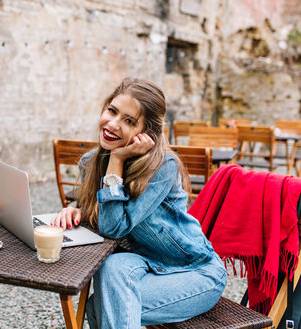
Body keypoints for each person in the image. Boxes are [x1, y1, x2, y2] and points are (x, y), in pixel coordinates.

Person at [51, 77, 227, 329]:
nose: (112, 124)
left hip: (195, 271)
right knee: (112, 267)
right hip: (145, 263)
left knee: (97, 307)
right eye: (112, 111)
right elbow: (107, 224)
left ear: (146, 133)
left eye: (129, 121)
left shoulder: (162, 167)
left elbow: (114, 228)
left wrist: (117, 160)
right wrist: (78, 210)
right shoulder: (90, 162)